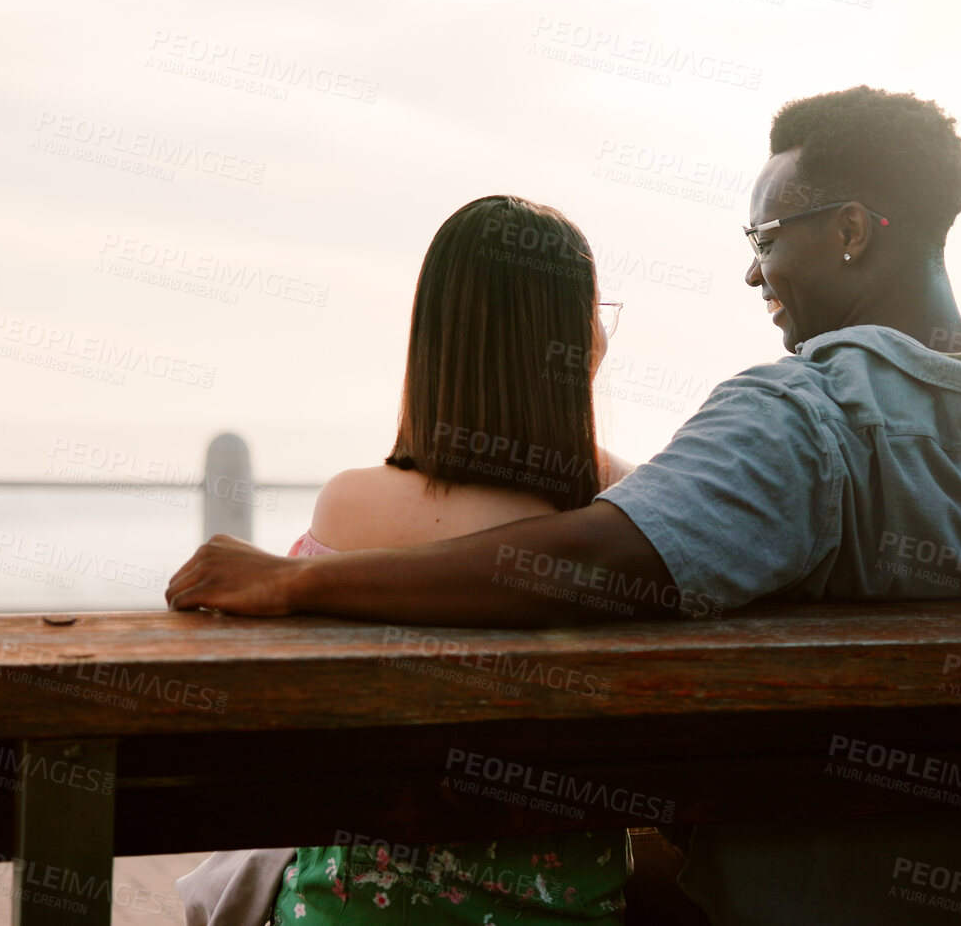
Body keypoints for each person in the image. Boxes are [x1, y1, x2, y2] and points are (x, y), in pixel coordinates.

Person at [167, 87, 961, 925]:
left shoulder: (798, 419)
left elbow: (591, 559)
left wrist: (300, 579)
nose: (751, 269)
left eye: (766, 234)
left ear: (850, 232)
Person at [180, 195, 638, 925]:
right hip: (561, 909)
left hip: (352, 906)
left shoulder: (346, 509)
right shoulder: (622, 509)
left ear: (435, 339)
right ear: (572, 337)